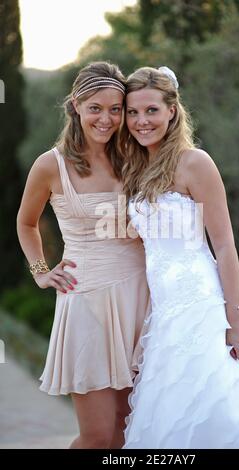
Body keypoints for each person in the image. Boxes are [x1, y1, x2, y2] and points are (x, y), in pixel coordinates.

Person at [120, 66, 239, 449]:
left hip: (204, 303)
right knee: (173, 413)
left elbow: (225, 246)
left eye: (151, 110)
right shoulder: (135, 168)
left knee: (224, 405)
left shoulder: (194, 162)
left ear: (172, 109)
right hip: (164, 312)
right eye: (133, 112)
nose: (141, 121)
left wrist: (233, 318)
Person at [16, 61, 150, 449]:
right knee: (98, 437)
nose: (106, 119)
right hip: (87, 300)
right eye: (96, 107)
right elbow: (26, 223)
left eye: (115, 109)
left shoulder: (137, 158)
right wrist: (41, 271)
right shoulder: (50, 164)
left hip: (142, 299)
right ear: (75, 105)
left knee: (129, 429)